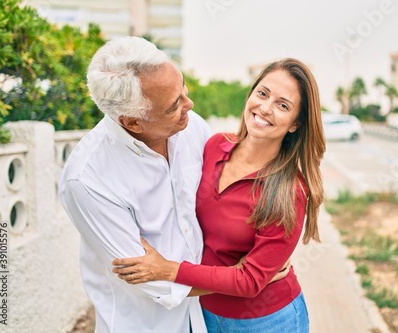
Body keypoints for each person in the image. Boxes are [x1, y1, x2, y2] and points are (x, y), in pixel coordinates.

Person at [112, 58, 326, 332]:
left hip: (269, 320)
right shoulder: (214, 146)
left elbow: (249, 282)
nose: (265, 108)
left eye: (283, 105)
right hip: (207, 313)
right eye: (262, 93)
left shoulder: (289, 190)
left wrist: (167, 269)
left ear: (295, 124)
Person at [58, 36, 212, 333]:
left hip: (208, 315)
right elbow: (156, 283)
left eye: (183, 89)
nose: (189, 105)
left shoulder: (191, 125)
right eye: (174, 105)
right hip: (148, 324)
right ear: (132, 122)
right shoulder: (87, 180)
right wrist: (245, 279)